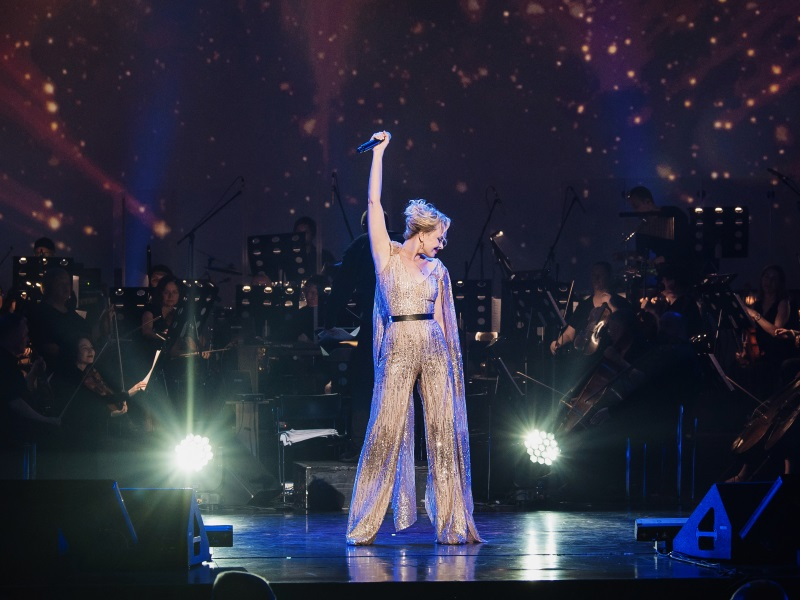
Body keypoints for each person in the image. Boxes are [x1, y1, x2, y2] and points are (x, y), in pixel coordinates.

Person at [345, 130, 482, 545]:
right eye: (440, 237)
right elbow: (373, 204)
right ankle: (364, 523)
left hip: (434, 347)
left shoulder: (438, 271)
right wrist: (379, 154)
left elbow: (443, 324)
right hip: (398, 345)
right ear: (421, 233)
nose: (443, 244)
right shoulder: (386, 255)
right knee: (384, 430)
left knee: (442, 434)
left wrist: (452, 369)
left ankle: (452, 524)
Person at [322, 211, 404, 460]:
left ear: (364, 226)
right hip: (404, 325)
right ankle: (401, 447)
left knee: (363, 382)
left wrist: (329, 322)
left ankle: (361, 445)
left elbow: (342, 286)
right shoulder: (403, 242)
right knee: (401, 385)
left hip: (374, 322)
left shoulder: (360, 245)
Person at [51, 337, 147, 452]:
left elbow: (106, 393)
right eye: (84, 348)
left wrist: (122, 399)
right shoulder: (72, 377)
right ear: (75, 351)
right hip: (80, 432)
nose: (90, 351)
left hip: (96, 429)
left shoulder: (92, 372)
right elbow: (98, 400)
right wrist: (128, 393)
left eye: (91, 347)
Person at [0, 314, 60, 454]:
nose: (27, 339)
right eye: (25, 334)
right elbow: (14, 402)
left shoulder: (8, 361)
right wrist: (45, 420)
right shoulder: (4, 362)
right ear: (13, 335)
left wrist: (33, 372)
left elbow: (19, 391)